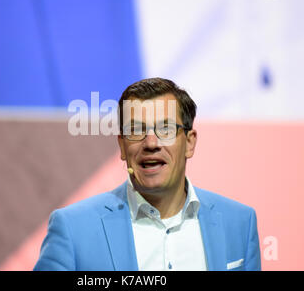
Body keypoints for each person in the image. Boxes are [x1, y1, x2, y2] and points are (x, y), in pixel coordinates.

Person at [34, 78, 261, 271]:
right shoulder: (73, 228)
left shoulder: (239, 222)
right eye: (136, 130)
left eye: (166, 129)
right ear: (122, 146)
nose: (151, 143)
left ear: (190, 143)